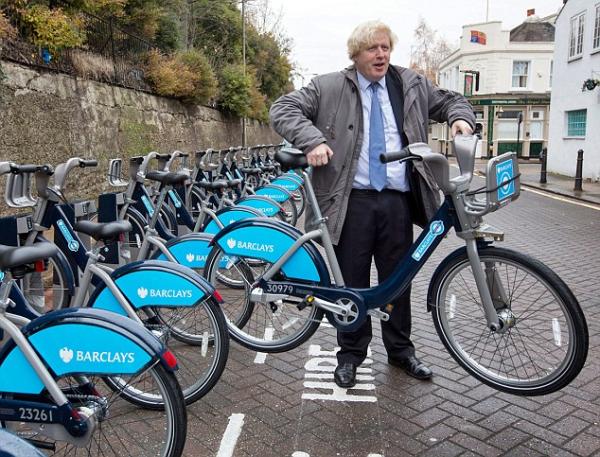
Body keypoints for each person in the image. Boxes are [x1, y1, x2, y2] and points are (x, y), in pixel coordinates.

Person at [269, 20, 475, 388]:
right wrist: (312, 139)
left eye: (385, 47)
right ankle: (350, 355)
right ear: (356, 54)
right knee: (354, 281)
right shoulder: (329, 86)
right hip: (352, 201)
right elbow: (283, 109)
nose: (381, 55)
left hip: (398, 199)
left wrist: (460, 118)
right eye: (372, 49)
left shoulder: (409, 83)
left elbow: (451, 101)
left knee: (399, 280)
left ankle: (401, 351)